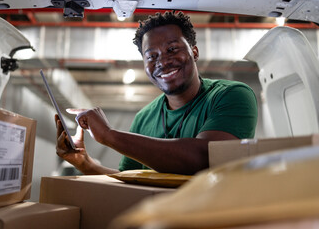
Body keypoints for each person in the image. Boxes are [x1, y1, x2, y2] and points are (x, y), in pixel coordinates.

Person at [55, 11, 258, 175]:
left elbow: (204, 159)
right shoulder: (144, 118)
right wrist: (84, 163)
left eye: (172, 49)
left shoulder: (232, 95)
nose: (162, 61)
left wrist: (109, 135)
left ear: (194, 52)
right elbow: (128, 179)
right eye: (151, 56)